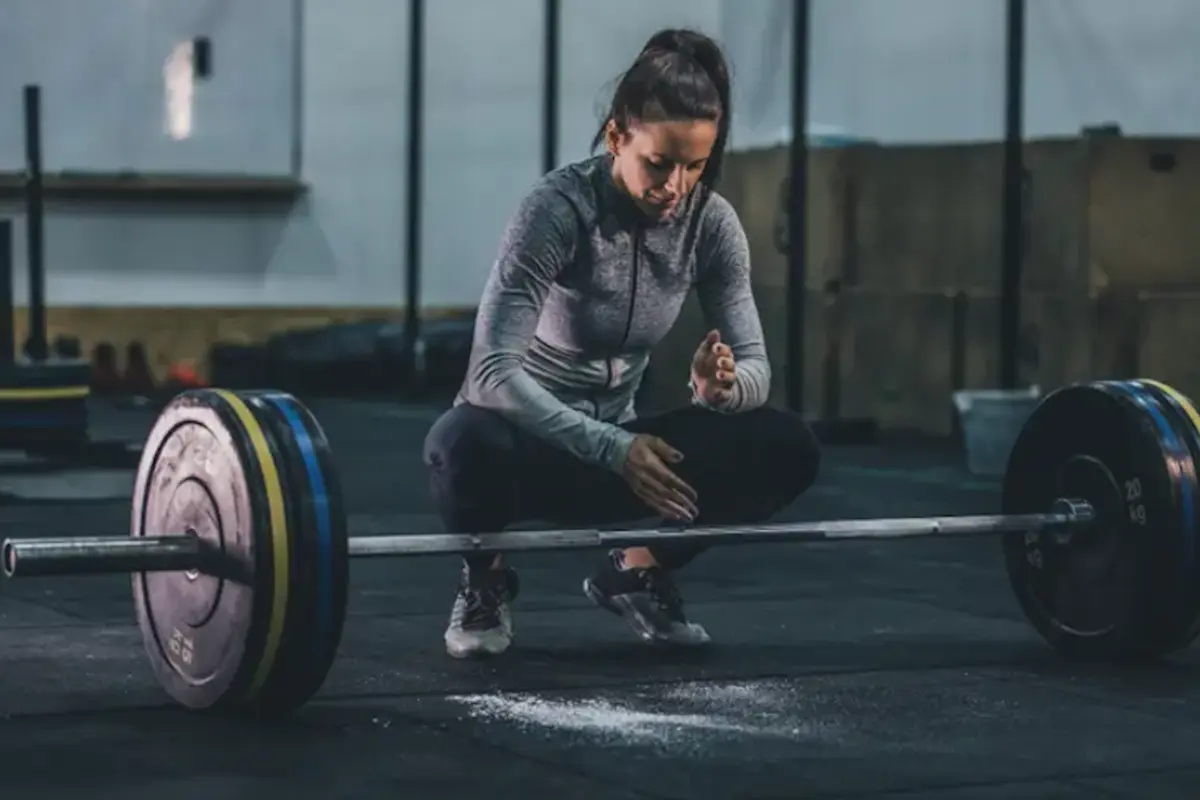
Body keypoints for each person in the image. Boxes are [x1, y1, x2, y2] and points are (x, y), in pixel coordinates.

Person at [423, 28, 821, 659]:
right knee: (458, 439)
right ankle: (485, 578)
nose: (676, 186)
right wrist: (613, 447)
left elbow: (756, 370)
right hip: (536, 445)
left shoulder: (711, 224)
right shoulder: (556, 210)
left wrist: (720, 391)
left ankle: (635, 569)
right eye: (659, 163)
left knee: (787, 445)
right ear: (617, 137)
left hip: (630, 453)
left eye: (695, 166)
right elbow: (492, 372)